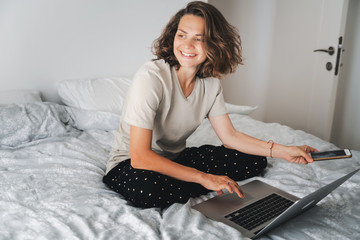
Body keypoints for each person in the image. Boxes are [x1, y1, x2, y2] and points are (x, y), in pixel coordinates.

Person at [103, 1, 317, 209]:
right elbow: (140, 157)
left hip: (175, 159)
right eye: (182, 35)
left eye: (199, 39)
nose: (187, 45)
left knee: (255, 161)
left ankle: (191, 182)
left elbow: (230, 137)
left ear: (214, 44)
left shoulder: (211, 84)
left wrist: (284, 151)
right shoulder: (151, 77)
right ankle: (198, 182)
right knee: (149, 191)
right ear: (173, 36)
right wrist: (204, 178)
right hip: (131, 164)